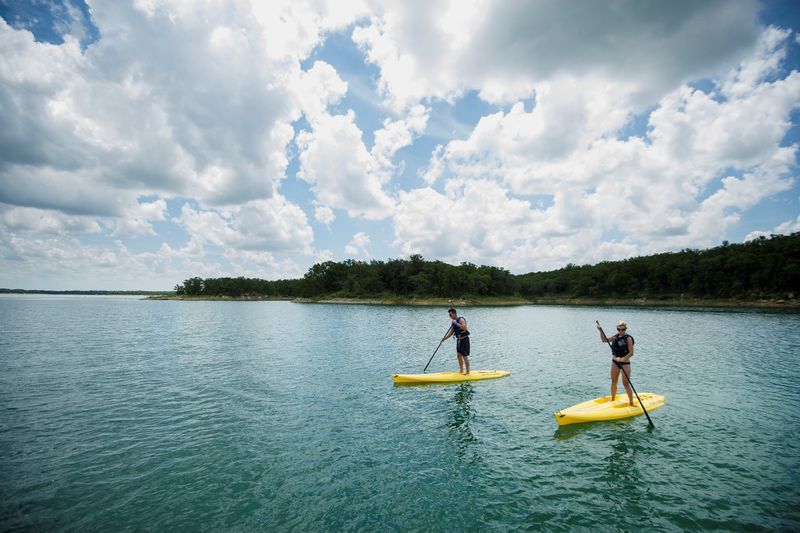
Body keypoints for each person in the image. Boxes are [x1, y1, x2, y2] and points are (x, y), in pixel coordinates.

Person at [597, 320, 635, 406]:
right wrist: (600, 330)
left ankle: (631, 403)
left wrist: (623, 359)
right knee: (614, 381)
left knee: (625, 383)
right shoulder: (615, 337)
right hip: (615, 362)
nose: (621, 331)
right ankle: (613, 399)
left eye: (623, 329)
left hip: (625, 363)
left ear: (625, 329)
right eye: (619, 329)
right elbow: (604, 340)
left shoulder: (628, 338)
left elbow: (631, 353)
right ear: (617, 329)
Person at [443, 308, 470, 374]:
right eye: (449, 315)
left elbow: (465, 328)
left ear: (454, 313)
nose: (450, 317)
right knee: (458, 355)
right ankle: (461, 370)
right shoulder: (453, 322)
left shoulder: (461, 319)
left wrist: (457, 323)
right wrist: (444, 338)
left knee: (464, 355)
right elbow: (451, 332)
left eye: (450, 315)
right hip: (459, 340)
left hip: (464, 340)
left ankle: (468, 372)